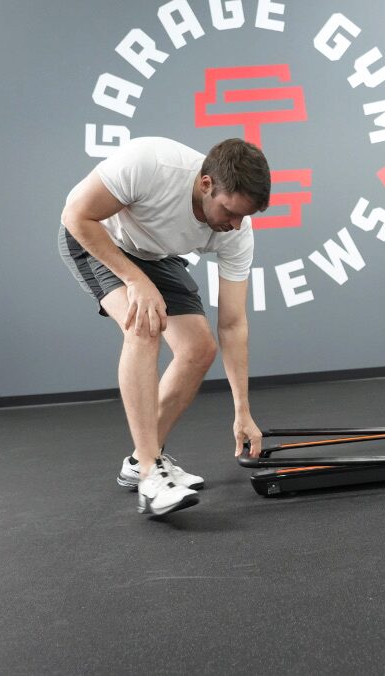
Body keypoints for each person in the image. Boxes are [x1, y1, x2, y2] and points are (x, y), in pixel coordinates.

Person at [59, 136, 270, 516]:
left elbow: (233, 324)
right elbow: (76, 216)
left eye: (245, 216)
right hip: (97, 237)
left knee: (198, 348)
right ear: (206, 184)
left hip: (154, 253)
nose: (235, 225)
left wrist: (242, 411)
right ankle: (149, 478)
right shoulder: (152, 163)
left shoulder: (236, 232)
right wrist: (136, 282)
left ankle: (141, 459)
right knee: (145, 324)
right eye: (229, 211)